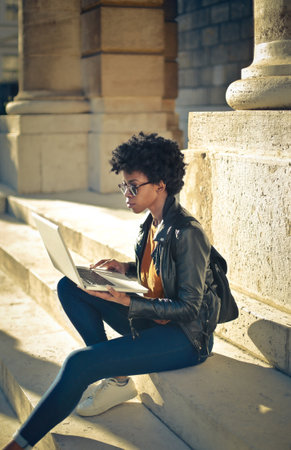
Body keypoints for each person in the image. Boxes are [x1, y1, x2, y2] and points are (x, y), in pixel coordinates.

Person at [3, 132, 220, 450]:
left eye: (134, 186)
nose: (127, 194)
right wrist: (125, 268)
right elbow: (159, 270)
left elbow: (189, 308)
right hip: (152, 315)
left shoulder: (187, 233)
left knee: (80, 363)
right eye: (124, 186)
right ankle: (118, 378)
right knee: (71, 286)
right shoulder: (152, 222)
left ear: (160, 184)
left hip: (184, 338)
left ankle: (17, 445)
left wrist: (129, 302)